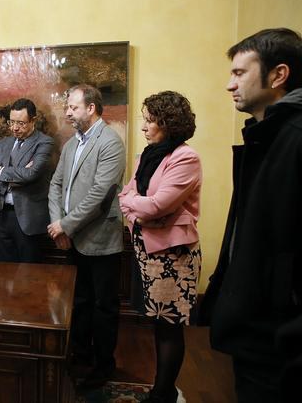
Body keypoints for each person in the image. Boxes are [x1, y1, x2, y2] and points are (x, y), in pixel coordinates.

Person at [199, 28, 302, 402]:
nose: (230, 84)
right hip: (257, 328)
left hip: (278, 338)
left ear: (278, 75)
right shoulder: (265, 135)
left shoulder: (294, 136)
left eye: (240, 73)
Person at [119, 91, 202, 403]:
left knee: (169, 326)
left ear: (168, 123)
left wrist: (139, 206)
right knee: (156, 323)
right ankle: (162, 388)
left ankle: (162, 393)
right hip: (146, 250)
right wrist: (138, 211)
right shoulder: (147, 156)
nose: (144, 126)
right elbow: (125, 197)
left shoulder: (186, 158)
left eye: (150, 120)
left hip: (173, 256)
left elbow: (157, 205)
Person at [47, 84, 125, 387]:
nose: (67, 112)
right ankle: (81, 356)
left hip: (101, 240)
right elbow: (55, 185)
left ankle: (104, 367)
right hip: (71, 240)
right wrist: (58, 224)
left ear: (91, 108)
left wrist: (66, 225)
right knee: (78, 303)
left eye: (73, 107)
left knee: (103, 308)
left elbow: (99, 195)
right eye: (67, 107)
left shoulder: (110, 142)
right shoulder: (71, 144)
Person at [0, 98, 54, 262]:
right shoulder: (3, 143)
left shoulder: (44, 143)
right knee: (4, 271)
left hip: (28, 219)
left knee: (28, 272)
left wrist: (1, 171)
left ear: (33, 120)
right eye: (11, 122)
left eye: (21, 123)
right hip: (1, 215)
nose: (14, 128)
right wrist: (14, 177)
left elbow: (31, 174)